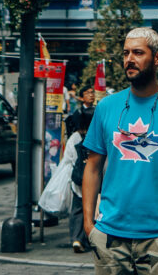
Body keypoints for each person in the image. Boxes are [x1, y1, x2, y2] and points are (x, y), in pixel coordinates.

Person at [82, 27, 158, 274]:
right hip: (110, 236)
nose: (129, 59)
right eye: (126, 53)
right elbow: (92, 167)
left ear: (157, 57)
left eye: (138, 52)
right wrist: (89, 226)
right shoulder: (107, 106)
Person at [63, 107, 94, 253]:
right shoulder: (98, 135)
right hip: (95, 181)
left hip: (78, 179)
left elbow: (69, 158)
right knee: (92, 210)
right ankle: (89, 240)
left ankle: (76, 238)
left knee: (77, 210)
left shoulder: (75, 137)